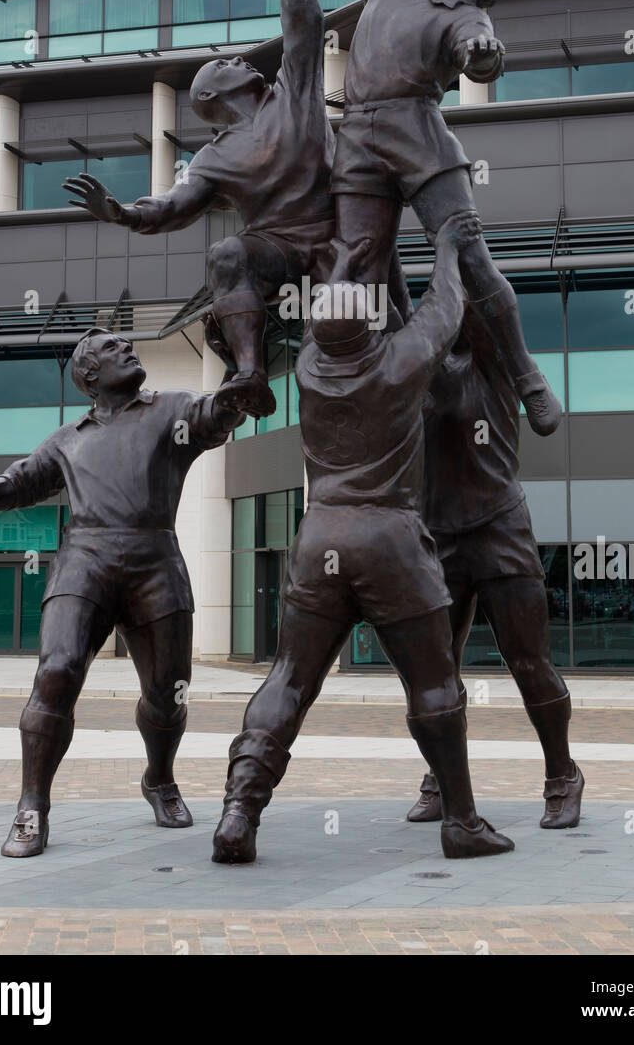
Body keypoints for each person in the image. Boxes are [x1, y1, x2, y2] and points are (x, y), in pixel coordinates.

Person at [211, 211, 516, 865]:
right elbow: (445, 306)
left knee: (289, 678)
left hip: (319, 536)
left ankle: (240, 808)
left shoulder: (313, 369)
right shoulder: (401, 362)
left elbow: (344, 293)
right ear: (373, 326)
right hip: (391, 539)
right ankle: (460, 819)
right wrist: (447, 244)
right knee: (434, 683)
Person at [0, 329, 244, 857]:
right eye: (112, 348)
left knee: (169, 692)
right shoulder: (67, 439)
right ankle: (33, 806)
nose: (127, 349)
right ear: (90, 375)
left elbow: (220, 414)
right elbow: (19, 482)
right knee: (56, 672)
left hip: (154, 560)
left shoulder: (172, 410)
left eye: (129, 344)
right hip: (85, 561)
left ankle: (159, 779)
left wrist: (241, 370)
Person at [63, 0, 335, 421]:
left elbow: (305, 24)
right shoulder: (212, 159)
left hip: (343, 230)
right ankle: (250, 373)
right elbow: (171, 207)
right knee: (225, 254)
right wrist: (120, 213)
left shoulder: (294, 92)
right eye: (228, 62)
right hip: (279, 249)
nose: (240, 58)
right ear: (211, 97)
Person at [329, 0, 561, 437]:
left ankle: (525, 375)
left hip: (418, 134)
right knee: (357, 265)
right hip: (356, 138)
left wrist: (483, 57)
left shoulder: (467, 17)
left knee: (470, 255)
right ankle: (398, 371)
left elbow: (480, 46)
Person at [405, 290, 584, 830]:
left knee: (528, 661)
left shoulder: (492, 361)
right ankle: (441, 778)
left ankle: (562, 775)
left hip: (499, 527)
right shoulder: (414, 374)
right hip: (438, 536)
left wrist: (449, 235)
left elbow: (485, 294)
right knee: (435, 670)